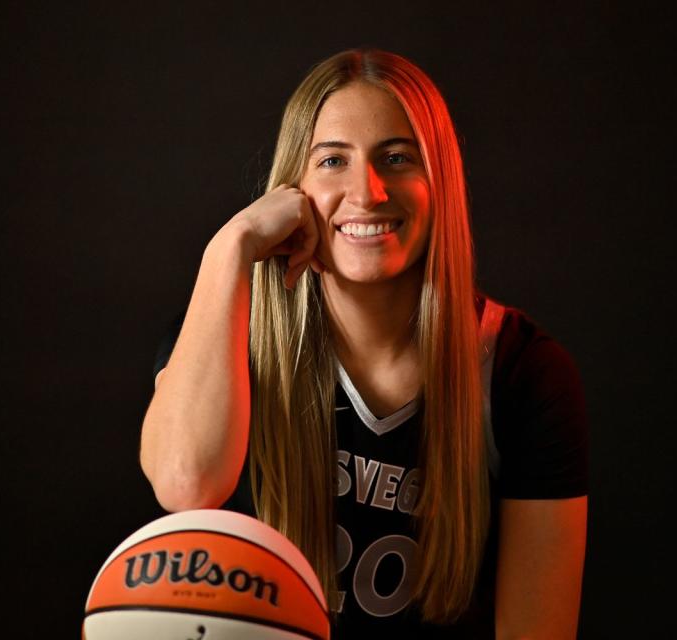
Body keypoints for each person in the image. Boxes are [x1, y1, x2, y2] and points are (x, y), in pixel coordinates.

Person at [139, 48, 588, 638]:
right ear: (291, 187)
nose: (368, 192)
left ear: (439, 182)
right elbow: (184, 484)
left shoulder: (520, 373)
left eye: (397, 157)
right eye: (332, 161)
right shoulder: (223, 335)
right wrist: (232, 245)